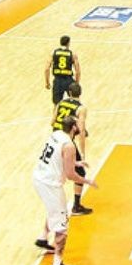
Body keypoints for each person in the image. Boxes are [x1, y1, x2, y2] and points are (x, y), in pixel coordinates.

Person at [31, 114, 98, 265]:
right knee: (62, 225)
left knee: (54, 210)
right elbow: (70, 175)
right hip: (50, 184)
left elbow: (55, 156)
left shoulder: (56, 135)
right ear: (74, 128)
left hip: (38, 177)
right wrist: (87, 180)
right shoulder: (69, 145)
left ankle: (43, 238)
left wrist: (74, 162)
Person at [52, 82, 92, 215]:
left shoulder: (60, 103)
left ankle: (56, 205)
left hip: (54, 138)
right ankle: (76, 206)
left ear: (68, 93)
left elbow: (52, 122)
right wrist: (83, 153)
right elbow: (81, 132)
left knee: (58, 173)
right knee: (80, 173)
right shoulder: (81, 108)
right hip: (66, 141)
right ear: (80, 93)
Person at [44, 35, 80, 104]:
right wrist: (77, 83)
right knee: (75, 102)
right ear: (68, 43)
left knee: (56, 104)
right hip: (69, 80)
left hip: (58, 80)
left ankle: (56, 114)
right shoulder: (72, 54)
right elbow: (77, 71)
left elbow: (46, 69)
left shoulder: (53, 53)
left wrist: (47, 82)